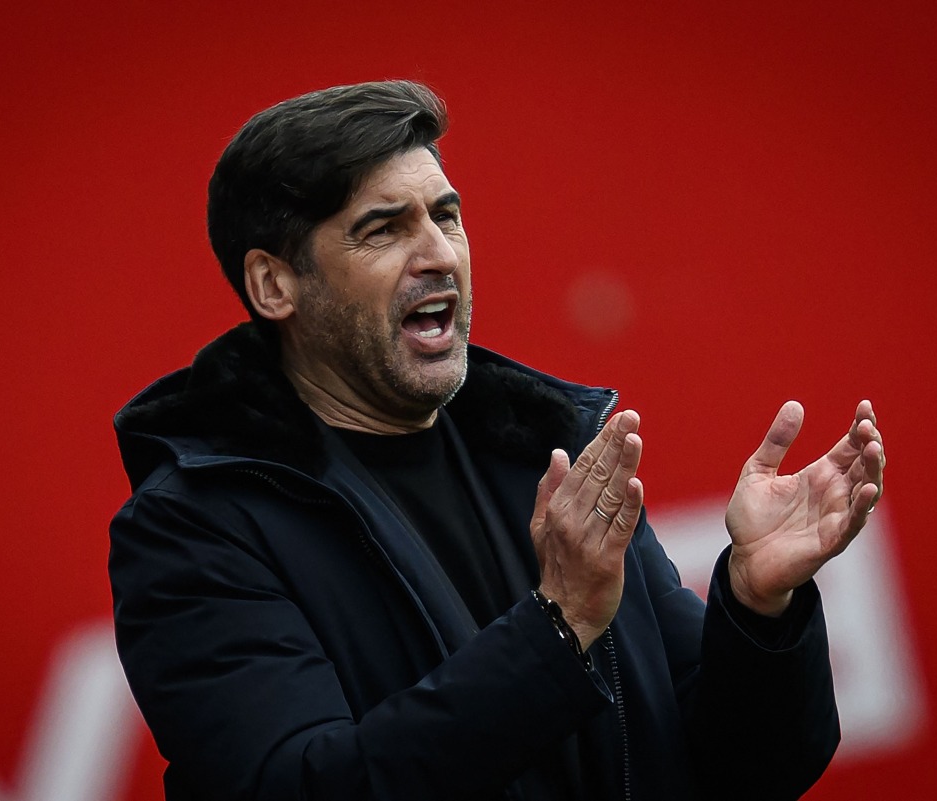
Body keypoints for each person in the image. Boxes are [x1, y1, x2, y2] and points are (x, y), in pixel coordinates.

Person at [109, 80, 886, 801]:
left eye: (445, 216)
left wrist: (758, 607)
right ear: (275, 284)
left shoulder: (548, 446)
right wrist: (556, 628)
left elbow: (744, 769)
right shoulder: (193, 529)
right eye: (382, 229)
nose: (438, 254)